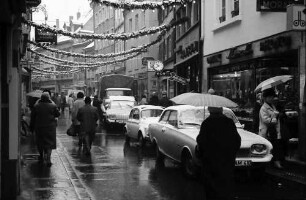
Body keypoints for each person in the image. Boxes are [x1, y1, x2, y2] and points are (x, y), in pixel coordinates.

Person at [196, 106, 241, 200]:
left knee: (212, 190)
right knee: (226, 188)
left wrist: (201, 155)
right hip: (226, 162)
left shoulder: (206, 123)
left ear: (209, 110)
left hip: (210, 164)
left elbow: (201, 142)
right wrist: (231, 154)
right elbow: (237, 141)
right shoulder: (229, 122)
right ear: (221, 110)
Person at [30, 92, 60, 167]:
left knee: (40, 142)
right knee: (50, 144)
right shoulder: (53, 105)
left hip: (39, 127)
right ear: (48, 98)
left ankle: (41, 156)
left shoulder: (36, 106)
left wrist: (31, 127)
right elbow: (58, 114)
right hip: (50, 128)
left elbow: (32, 118)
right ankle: (48, 159)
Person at [259, 88, 284, 169]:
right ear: (265, 98)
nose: (271, 98)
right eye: (269, 97)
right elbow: (265, 120)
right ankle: (268, 163)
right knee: (268, 147)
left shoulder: (273, 106)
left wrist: (277, 115)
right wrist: (274, 118)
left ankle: (276, 162)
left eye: (272, 97)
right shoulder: (263, 108)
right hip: (267, 131)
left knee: (276, 146)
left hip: (274, 130)